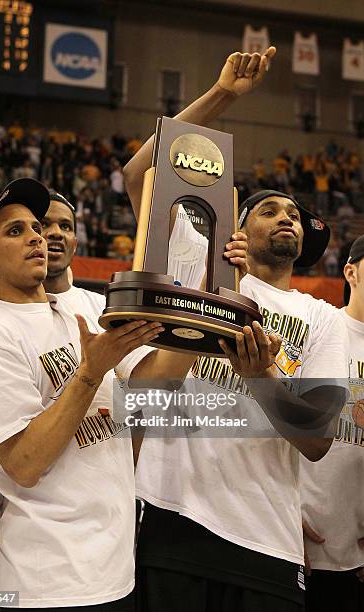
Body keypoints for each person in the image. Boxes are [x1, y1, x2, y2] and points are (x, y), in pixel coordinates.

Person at [123, 47, 349, 612]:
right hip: (174, 516)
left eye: (294, 215)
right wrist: (224, 95)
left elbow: (318, 439)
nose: (286, 218)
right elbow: (139, 175)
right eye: (270, 210)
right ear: (236, 224)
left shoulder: (322, 318)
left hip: (268, 536)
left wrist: (263, 376)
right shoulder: (200, 271)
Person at [0, 177, 166, 611]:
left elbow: (151, 384)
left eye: (35, 226)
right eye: (16, 231)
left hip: (112, 571)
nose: (36, 236)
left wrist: (191, 324)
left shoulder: (76, 314)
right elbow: (24, 464)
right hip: (46, 582)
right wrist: (89, 374)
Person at [300, 235, 364, 612]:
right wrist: (279, 512)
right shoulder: (319, 330)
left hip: (356, 553)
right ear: (350, 272)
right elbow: (273, 425)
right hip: (300, 539)